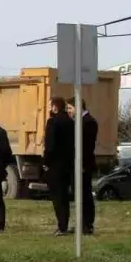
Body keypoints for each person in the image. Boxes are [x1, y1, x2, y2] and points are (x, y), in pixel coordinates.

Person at [44, 96, 76, 236]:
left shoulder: (52, 122)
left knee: (57, 197)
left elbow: (50, 145)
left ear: (55, 107)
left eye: (50, 105)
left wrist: (45, 162)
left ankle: (61, 226)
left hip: (55, 165)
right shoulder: (70, 122)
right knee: (64, 197)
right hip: (68, 164)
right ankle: (65, 224)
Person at [76, 100, 99, 235]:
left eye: (70, 108)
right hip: (82, 163)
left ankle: (87, 224)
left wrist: (82, 164)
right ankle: (83, 223)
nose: (69, 111)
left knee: (85, 194)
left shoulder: (88, 122)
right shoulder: (81, 121)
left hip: (85, 163)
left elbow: (86, 146)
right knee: (81, 194)